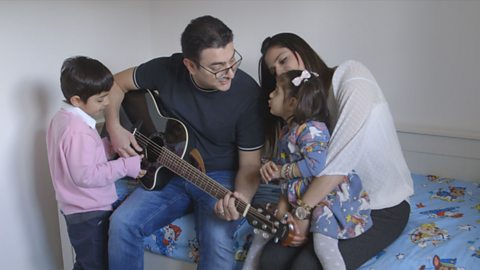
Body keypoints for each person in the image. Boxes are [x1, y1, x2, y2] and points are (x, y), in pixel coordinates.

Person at [105, 15, 265, 270]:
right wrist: (114, 127)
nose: (230, 72)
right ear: (190, 65)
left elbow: (250, 165)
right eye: (217, 67)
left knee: (218, 240)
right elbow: (114, 83)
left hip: (218, 178)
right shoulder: (167, 69)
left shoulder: (247, 94)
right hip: (168, 172)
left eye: (232, 59)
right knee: (122, 224)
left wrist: (241, 198)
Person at [257, 33, 414, 270]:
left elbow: (338, 163)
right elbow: (301, 168)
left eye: (283, 60)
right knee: (270, 259)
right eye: (273, 71)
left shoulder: (352, 77)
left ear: (302, 53)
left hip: (380, 207)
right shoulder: (302, 118)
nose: (278, 73)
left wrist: (301, 213)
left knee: (306, 267)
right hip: (326, 203)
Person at [242, 70, 372, 270]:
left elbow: (315, 165)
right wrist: (270, 169)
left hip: (327, 199)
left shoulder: (312, 129)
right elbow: (286, 170)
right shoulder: (288, 130)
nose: (270, 95)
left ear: (293, 103)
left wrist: (281, 171)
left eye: (276, 92)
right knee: (263, 229)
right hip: (298, 197)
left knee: (323, 243)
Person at [46, 56, 144, 270]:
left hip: (78, 209)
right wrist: (127, 166)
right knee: (94, 265)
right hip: (89, 210)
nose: (107, 103)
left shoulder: (62, 119)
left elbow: (76, 157)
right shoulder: (77, 130)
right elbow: (87, 175)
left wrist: (108, 145)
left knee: (86, 264)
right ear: (76, 100)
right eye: (100, 100)